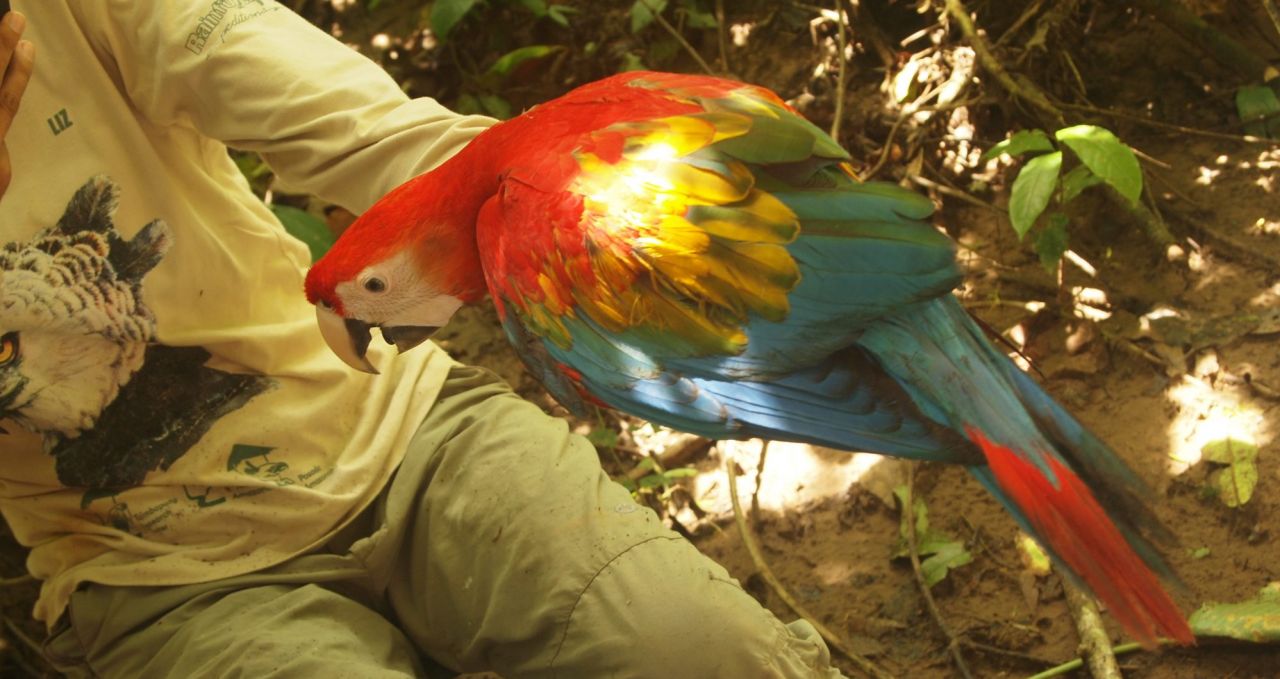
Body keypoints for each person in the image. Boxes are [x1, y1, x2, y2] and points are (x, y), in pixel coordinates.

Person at [0, 3, 847, 677]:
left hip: (406, 436)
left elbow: (361, 125)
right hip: (157, 573)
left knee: (707, 651)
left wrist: (570, 201)